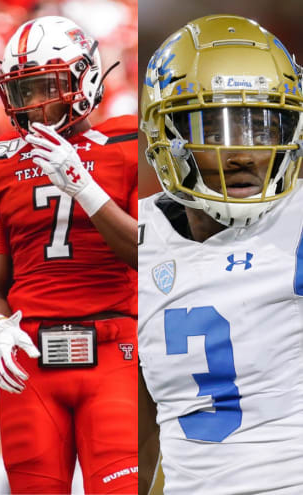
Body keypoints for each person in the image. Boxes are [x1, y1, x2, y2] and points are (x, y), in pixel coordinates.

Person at [138, 14, 303, 495]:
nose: (245, 153)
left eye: (263, 125)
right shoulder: (137, 234)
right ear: (165, 134)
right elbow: (148, 425)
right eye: (215, 127)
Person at [0, 15, 138, 494]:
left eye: (48, 86)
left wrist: (86, 189)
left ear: (86, 78)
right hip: (30, 361)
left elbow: (149, 255)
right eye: (24, 92)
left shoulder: (128, 146)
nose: (37, 106)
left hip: (114, 350)